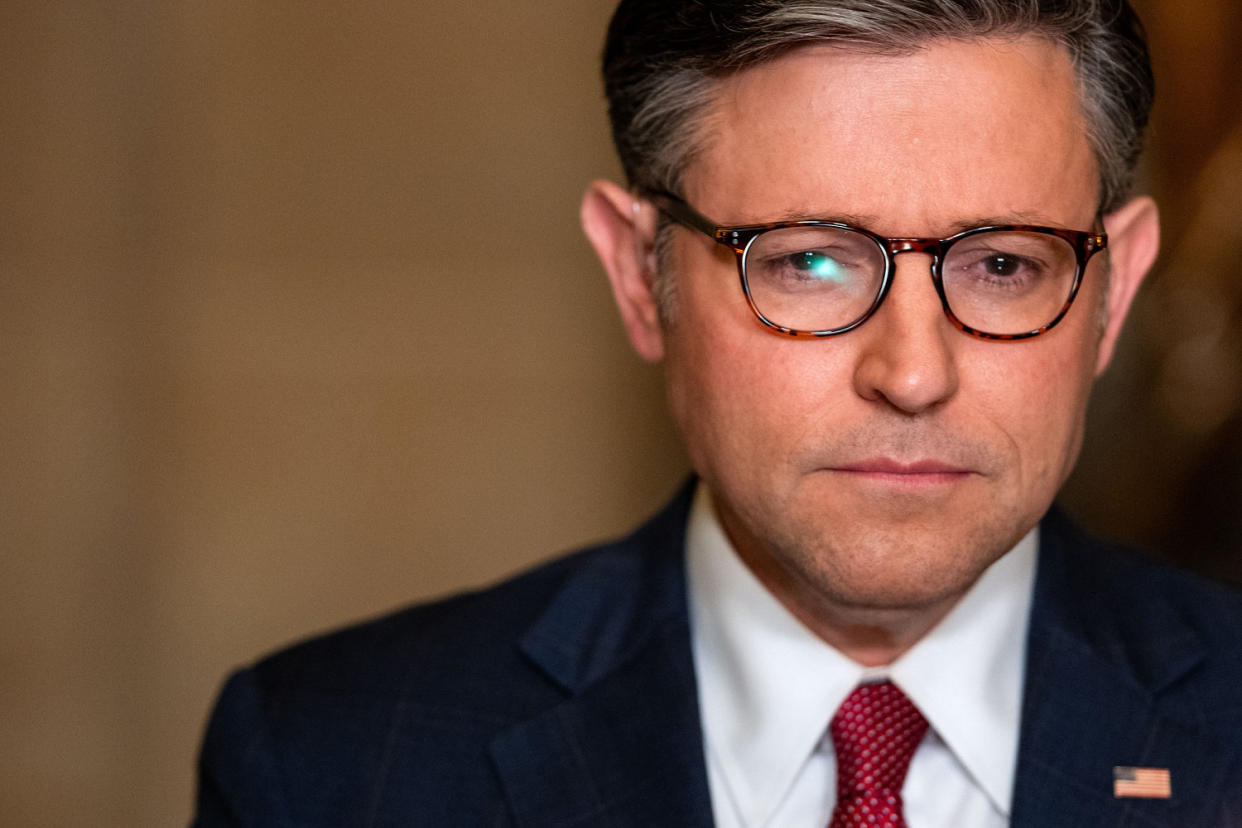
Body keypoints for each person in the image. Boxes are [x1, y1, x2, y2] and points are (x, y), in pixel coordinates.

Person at [193, 1, 1242, 826]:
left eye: (1005, 264)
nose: (914, 373)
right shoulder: (330, 762)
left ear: (1117, 293)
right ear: (639, 278)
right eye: (811, 262)